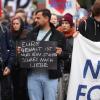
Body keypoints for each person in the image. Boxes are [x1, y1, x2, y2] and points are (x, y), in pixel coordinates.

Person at [27, 9, 66, 100]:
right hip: (33, 75)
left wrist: (60, 53)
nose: (36, 20)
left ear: (46, 18)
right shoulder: (31, 34)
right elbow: (26, 52)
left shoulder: (59, 35)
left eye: (38, 18)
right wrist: (21, 52)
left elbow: (67, 54)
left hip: (51, 76)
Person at [57, 13, 75, 100]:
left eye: (67, 23)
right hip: (59, 72)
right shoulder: (56, 36)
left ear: (71, 24)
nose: (64, 25)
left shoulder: (76, 38)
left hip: (71, 72)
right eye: (62, 23)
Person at [10, 16, 29, 100]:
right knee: (14, 88)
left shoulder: (27, 34)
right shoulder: (9, 34)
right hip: (13, 65)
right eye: (13, 24)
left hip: (24, 66)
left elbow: (32, 48)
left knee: (23, 88)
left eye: (17, 23)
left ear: (21, 24)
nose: (15, 25)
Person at [0, 13, 15, 100]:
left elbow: (12, 49)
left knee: (5, 94)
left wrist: (9, 66)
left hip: (3, 68)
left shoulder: (5, 30)